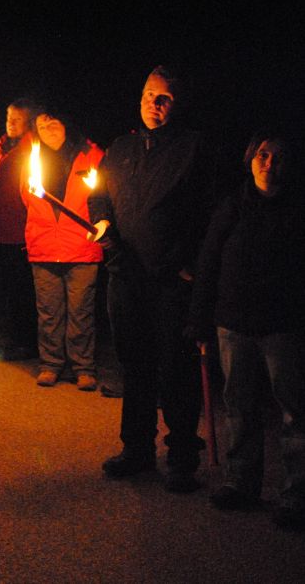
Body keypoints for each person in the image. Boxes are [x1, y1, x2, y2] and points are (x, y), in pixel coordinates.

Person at [88, 66, 213, 493]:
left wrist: (190, 264)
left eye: (164, 99)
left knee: (176, 369)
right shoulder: (121, 147)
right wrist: (103, 222)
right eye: (148, 95)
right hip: (126, 274)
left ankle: (182, 457)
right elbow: (100, 193)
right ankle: (137, 449)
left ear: (178, 104)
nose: (153, 104)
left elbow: (209, 211)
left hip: (170, 281)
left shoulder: (193, 148)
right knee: (135, 366)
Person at [188, 130, 305, 529]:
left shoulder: (297, 209)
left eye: (278, 156)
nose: (269, 163)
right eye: (263, 155)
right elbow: (208, 261)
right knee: (239, 405)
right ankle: (241, 481)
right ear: (251, 158)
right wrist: (199, 318)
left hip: (283, 325)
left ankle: (296, 493)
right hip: (233, 323)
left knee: (294, 411)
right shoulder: (232, 205)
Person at [22, 110, 103, 390]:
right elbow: (26, 197)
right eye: (41, 126)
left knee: (81, 312)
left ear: (66, 122)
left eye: (52, 122)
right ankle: (51, 364)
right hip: (44, 245)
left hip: (81, 246)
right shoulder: (32, 159)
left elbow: (101, 197)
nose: (47, 129)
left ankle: (83, 367)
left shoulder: (90, 156)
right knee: (49, 312)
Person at [0, 98, 38, 361]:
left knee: (21, 291)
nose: (11, 123)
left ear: (29, 122)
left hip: (18, 232)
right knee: (7, 289)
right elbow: (0, 181)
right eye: (8, 117)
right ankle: (14, 339)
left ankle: (25, 343)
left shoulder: (31, 151)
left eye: (18, 119)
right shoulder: (1, 148)